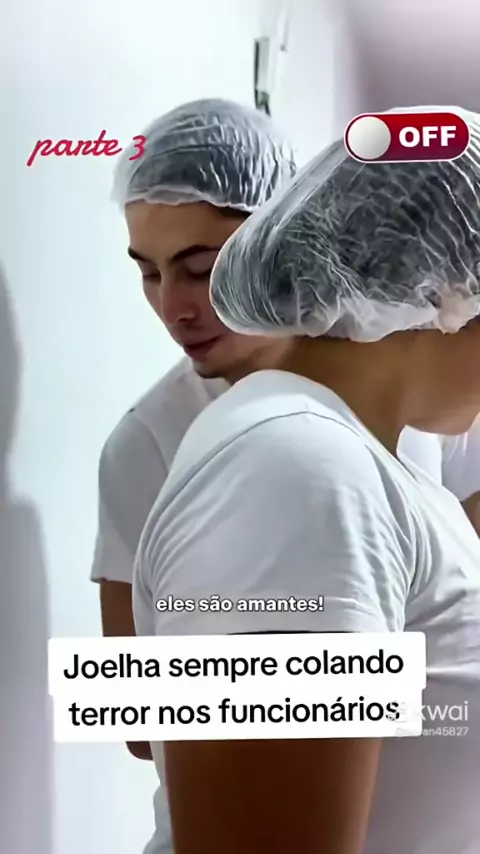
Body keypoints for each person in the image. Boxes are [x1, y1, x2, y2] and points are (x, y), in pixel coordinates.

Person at [92, 98, 480, 850]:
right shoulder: (300, 472)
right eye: (154, 272)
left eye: (197, 268)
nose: (174, 307)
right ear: (443, 295)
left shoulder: (356, 458)